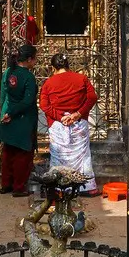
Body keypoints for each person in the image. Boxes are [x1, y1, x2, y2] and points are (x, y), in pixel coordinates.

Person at [38, 51, 98, 192]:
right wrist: (77, 114)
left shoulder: (48, 83)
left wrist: (60, 117)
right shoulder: (81, 78)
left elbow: (44, 105)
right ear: (68, 65)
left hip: (58, 125)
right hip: (78, 123)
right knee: (83, 155)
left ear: (53, 68)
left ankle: (58, 187)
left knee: (59, 157)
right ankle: (88, 187)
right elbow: (92, 97)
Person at [0, 43, 40, 196]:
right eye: (35, 59)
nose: (35, 62)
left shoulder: (8, 71)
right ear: (29, 59)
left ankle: (6, 184)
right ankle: (19, 187)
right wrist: (12, 113)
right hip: (22, 119)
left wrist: (4, 113)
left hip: (6, 117)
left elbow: (3, 95)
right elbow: (28, 100)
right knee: (23, 154)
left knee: (8, 152)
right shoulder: (28, 76)